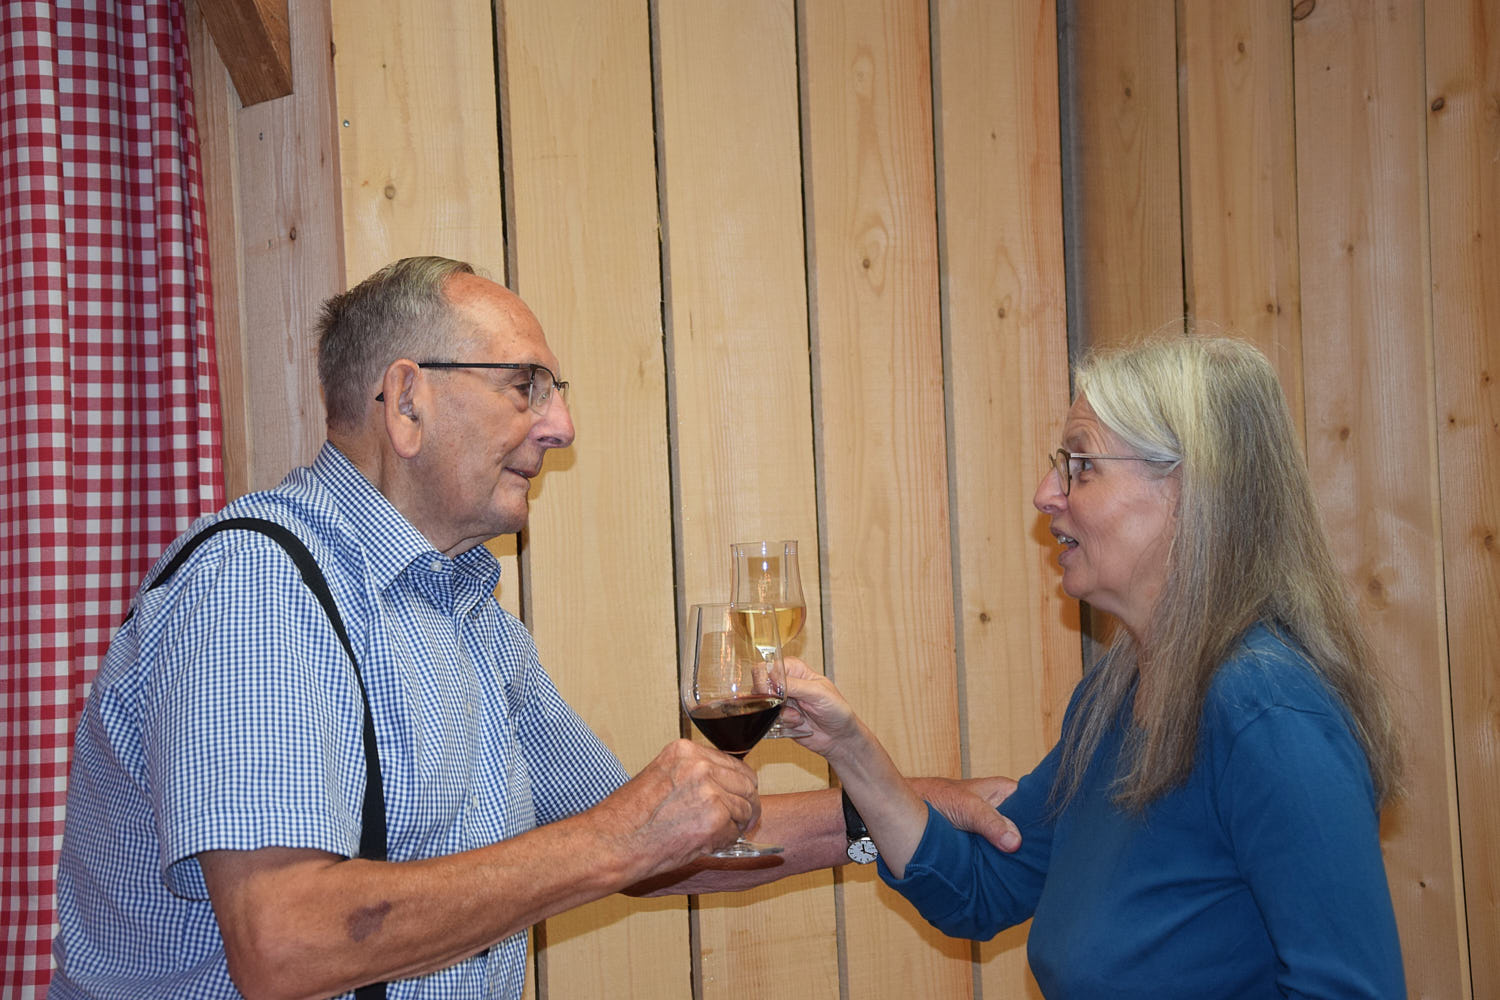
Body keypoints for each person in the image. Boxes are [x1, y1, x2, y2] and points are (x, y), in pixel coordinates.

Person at [50, 256, 1019, 999]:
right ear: (407, 400)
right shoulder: (258, 587)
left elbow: (653, 842)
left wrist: (895, 808)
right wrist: (616, 838)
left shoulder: (471, 614)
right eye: (526, 386)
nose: (561, 427)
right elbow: (284, 940)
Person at [780, 335, 1406, 998]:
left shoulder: (1267, 712)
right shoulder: (1115, 695)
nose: (1045, 494)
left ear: (1190, 488)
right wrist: (849, 747)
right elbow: (983, 886)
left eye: (1081, 467)